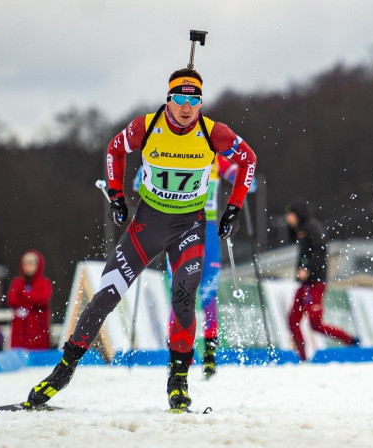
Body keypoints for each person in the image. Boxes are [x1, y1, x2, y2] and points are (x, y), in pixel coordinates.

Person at [25, 67, 256, 412]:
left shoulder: (213, 133)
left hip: (188, 228)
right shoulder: (147, 127)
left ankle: (178, 380)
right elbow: (114, 150)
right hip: (146, 226)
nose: (186, 107)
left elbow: (248, 160)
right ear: (169, 99)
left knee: (183, 297)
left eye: (194, 100)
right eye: (180, 98)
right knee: (106, 295)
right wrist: (117, 196)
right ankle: (64, 369)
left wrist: (233, 209)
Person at [134, 156, 256, 379]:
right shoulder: (174, 156)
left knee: (209, 291)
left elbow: (249, 181)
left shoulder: (217, 159)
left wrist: (243, 177)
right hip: (179, 227)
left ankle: (210, 354)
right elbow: (138, 183)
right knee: (179, 293)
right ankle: (176, 354)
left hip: (208, 229)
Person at [285, 200, 358, 361]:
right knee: (293, 320)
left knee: (315, 323)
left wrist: (308, 269)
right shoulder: (301, 229)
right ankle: (302, 356)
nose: (287, 218)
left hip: (315, 283)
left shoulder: (312, 227)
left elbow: (320, 249)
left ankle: (350, 341)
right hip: (306, 284)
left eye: (290, 215)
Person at [6, 249, 52, 350]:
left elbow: (43, 300)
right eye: (26, 264)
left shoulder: (43, 283)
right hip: (20, 330)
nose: (29, 267)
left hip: (37, 328)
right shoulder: (17, 282)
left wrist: (24, 297)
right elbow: (12, 300)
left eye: (32, 264)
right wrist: (31, 300)